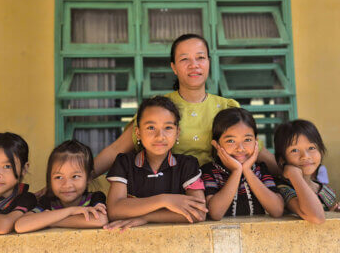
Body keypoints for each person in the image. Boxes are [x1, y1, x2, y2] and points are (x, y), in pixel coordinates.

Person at [93, 33, 281, 182]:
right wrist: (82, 178)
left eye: (200, 58)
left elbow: (257, 150)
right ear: (174, 67)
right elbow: (116, 148)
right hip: (168, 188)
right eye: (184, 59)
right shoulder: (159, 108)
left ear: (209, 62)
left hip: (220, 189)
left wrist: (289, 177)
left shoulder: (227, 107)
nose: (194, 65)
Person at [104, 96, 208, 231]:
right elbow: (115, 210)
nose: (160, 136)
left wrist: (146, 217)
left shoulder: (187, 165)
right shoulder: (125, 163)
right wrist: (164, 200)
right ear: (138, 133)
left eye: (168, 127)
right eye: (151, 127)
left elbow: (199, 213)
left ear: (177, 133)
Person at [201, 108, 284, 220]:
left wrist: (247, 171)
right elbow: (215, 213)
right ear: (216, 145)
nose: (240, 149)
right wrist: (236, 171)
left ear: (256, 142)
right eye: (231, 141)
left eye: (247, 140)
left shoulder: (261, 170)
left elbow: (277, 210)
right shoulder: (209, 171)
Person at [15, 140, 107, 233]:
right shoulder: (47, 202)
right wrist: (70, 211)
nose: (67, 185)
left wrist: (49, 221)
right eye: (58, 177)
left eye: (75, 176)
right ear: (49, 179)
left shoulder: (95, 198)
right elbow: (20, 225)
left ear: (89, 178)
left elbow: (100, 220)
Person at [274, 119, 339, 224]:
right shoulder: (283, 189)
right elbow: (316, 217)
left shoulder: (326, 190)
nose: (305, 156)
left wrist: (334, 213)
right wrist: (294, 175)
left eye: (311, 148)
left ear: (321, 151)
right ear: (282, 159)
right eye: (294, 150)